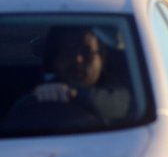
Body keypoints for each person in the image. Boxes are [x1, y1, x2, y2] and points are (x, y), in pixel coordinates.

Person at [4, 27, 132, 130]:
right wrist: (38, 99)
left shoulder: (125, 95)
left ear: (101, 59)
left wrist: (75, 94)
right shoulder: (33, 102)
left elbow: (119, 107)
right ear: (55, 60)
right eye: (68, 51)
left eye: (87, 52)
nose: (78, 59)